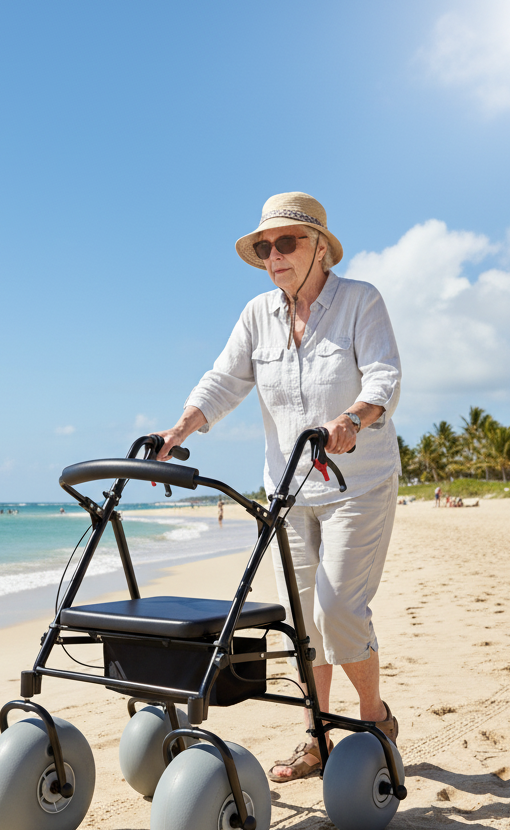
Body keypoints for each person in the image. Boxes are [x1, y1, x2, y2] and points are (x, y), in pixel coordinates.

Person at [155, 192, 402, 783]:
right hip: (288, 491)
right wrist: (182, 425)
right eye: (265, 247)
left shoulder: (360, 302)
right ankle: (317, 736)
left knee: (339, 609)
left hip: (356, 482)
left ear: (320, 246)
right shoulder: (257, 315)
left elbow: (385, 376)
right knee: (301, 620)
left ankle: (375, 720)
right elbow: (223, 380)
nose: (273, 255)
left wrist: (353, 418)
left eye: (286, 242)